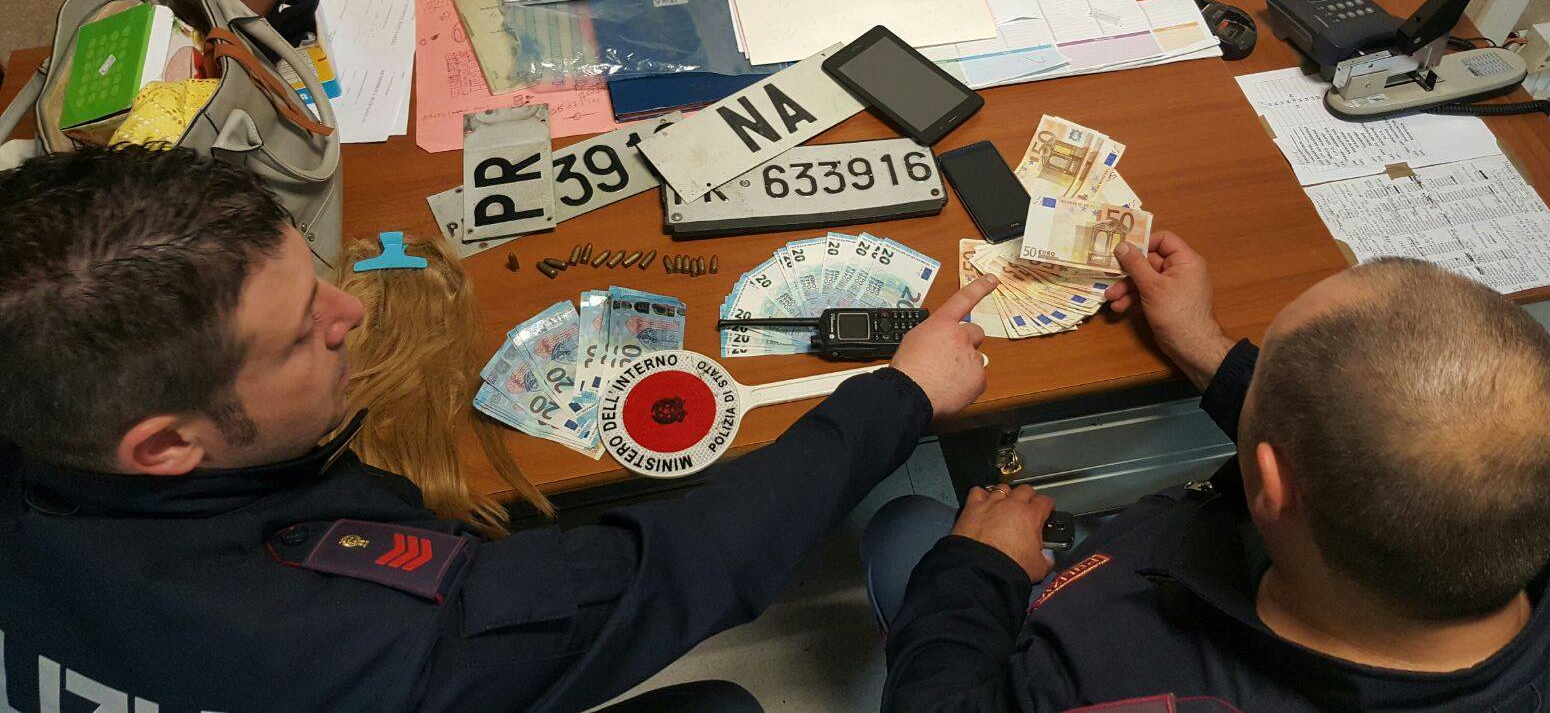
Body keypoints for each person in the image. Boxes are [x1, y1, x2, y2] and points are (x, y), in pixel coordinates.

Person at [0, 146, 997, 711]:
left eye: (315, 275)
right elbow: (674, 567)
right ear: (165, 445)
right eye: (304, 333)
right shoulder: (374, 645)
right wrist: (899, 395)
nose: (347, 314)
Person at [873, 231, 1550, 710]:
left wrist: (978, 567)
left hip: (1069, 594)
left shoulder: (1098, 682)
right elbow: (1380, 433)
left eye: (1265, 362)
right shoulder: (1544, 453)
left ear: (1273, 489)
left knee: (907, 534)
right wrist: (1205, 346)